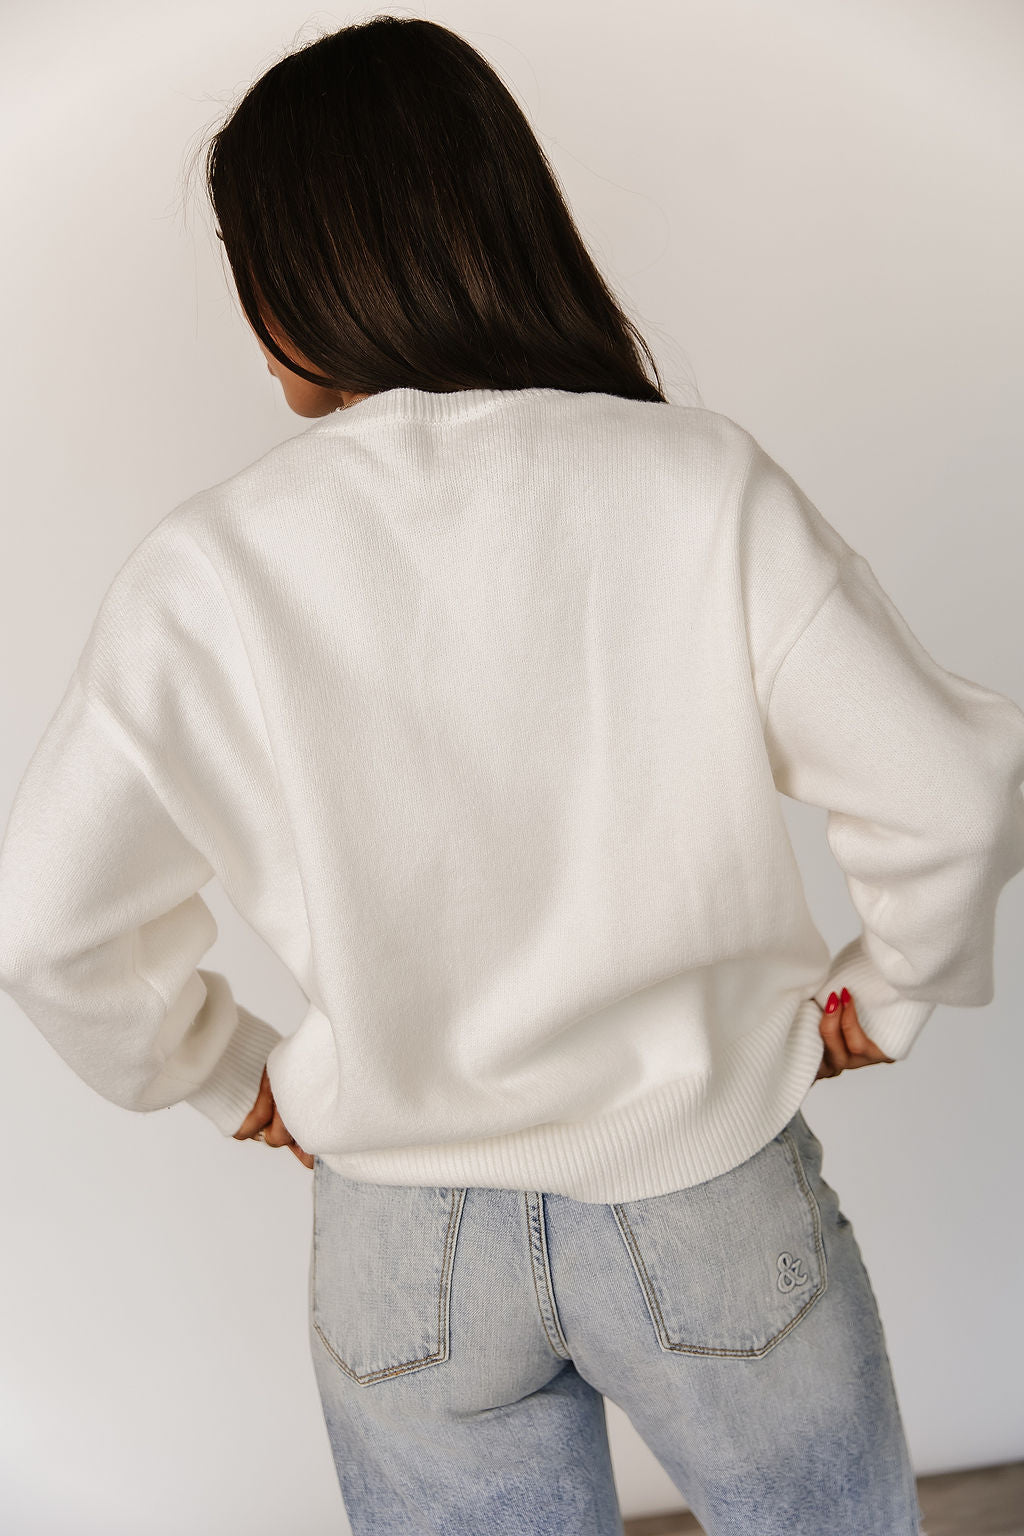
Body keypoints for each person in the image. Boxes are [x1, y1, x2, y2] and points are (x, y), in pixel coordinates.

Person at [1, 15, 1022, 1536]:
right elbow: (951, 789)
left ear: (301, 275)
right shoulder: (698, 486)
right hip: (704, 1188)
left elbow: (46, 923)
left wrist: (226, 1075)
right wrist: (887, 991)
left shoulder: (209, 569)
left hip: (402, 1249)